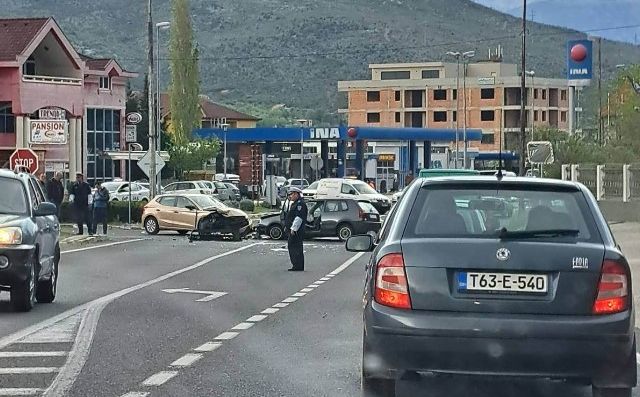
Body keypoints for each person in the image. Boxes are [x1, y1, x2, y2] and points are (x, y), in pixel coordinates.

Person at [284, 186, 308, 272]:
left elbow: (299, 218)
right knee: (294, 247)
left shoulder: (300, 204)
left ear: (296, 194)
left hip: (296, 231)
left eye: (291, 194)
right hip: (293, 229)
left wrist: (293, 229)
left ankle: (297, 265)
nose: (289, 196)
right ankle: (297, 265)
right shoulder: (296, 203)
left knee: (295, 247)